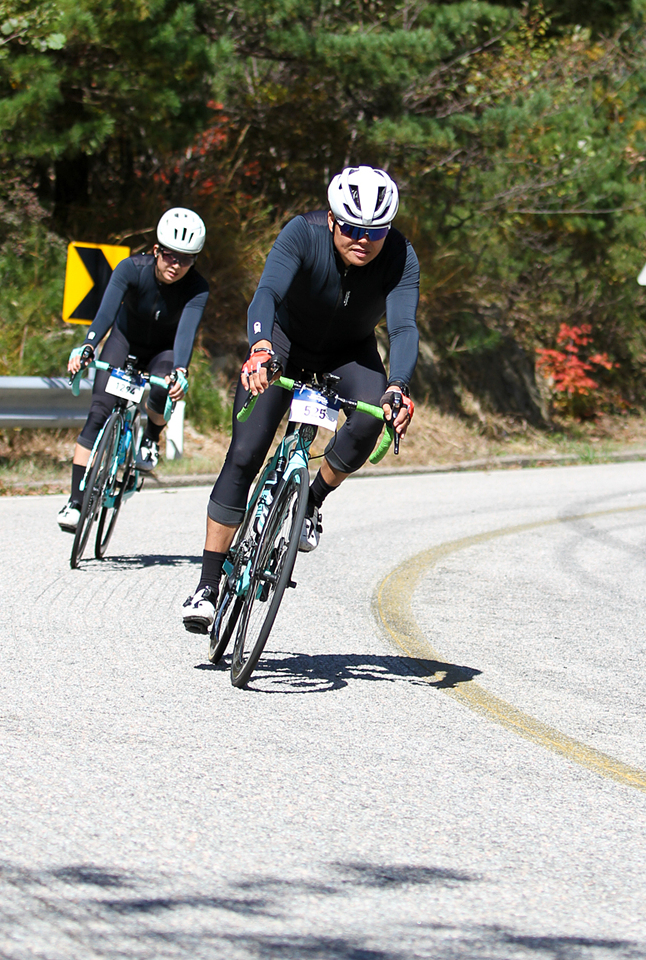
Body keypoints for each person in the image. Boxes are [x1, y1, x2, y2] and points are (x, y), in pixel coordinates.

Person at [181, 167, 418, 631]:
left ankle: (311, 500)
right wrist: (260, 347)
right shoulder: (302, 232)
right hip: (284, 344)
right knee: (245, 454)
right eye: (351, 228)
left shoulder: (400, 255)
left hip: (350, 354)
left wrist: (399, 385)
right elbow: (267, 292)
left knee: (370, 419)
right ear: (331, 219)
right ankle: (207, 586)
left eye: (375, 232)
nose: (363, 240)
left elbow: (404, 326)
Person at [57, 208, 209, 532]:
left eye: (186, 259)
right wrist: (88, 346)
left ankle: (151, 437)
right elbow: (105, 312)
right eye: (170, 255)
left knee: (162, 389)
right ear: (156, 250)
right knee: (98, 414)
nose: (176, 264)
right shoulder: (130, 268)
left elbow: (186, 333)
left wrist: (180, 371)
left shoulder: (197, 288)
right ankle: (74, 503)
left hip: (163, 351)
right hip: (124, 341)